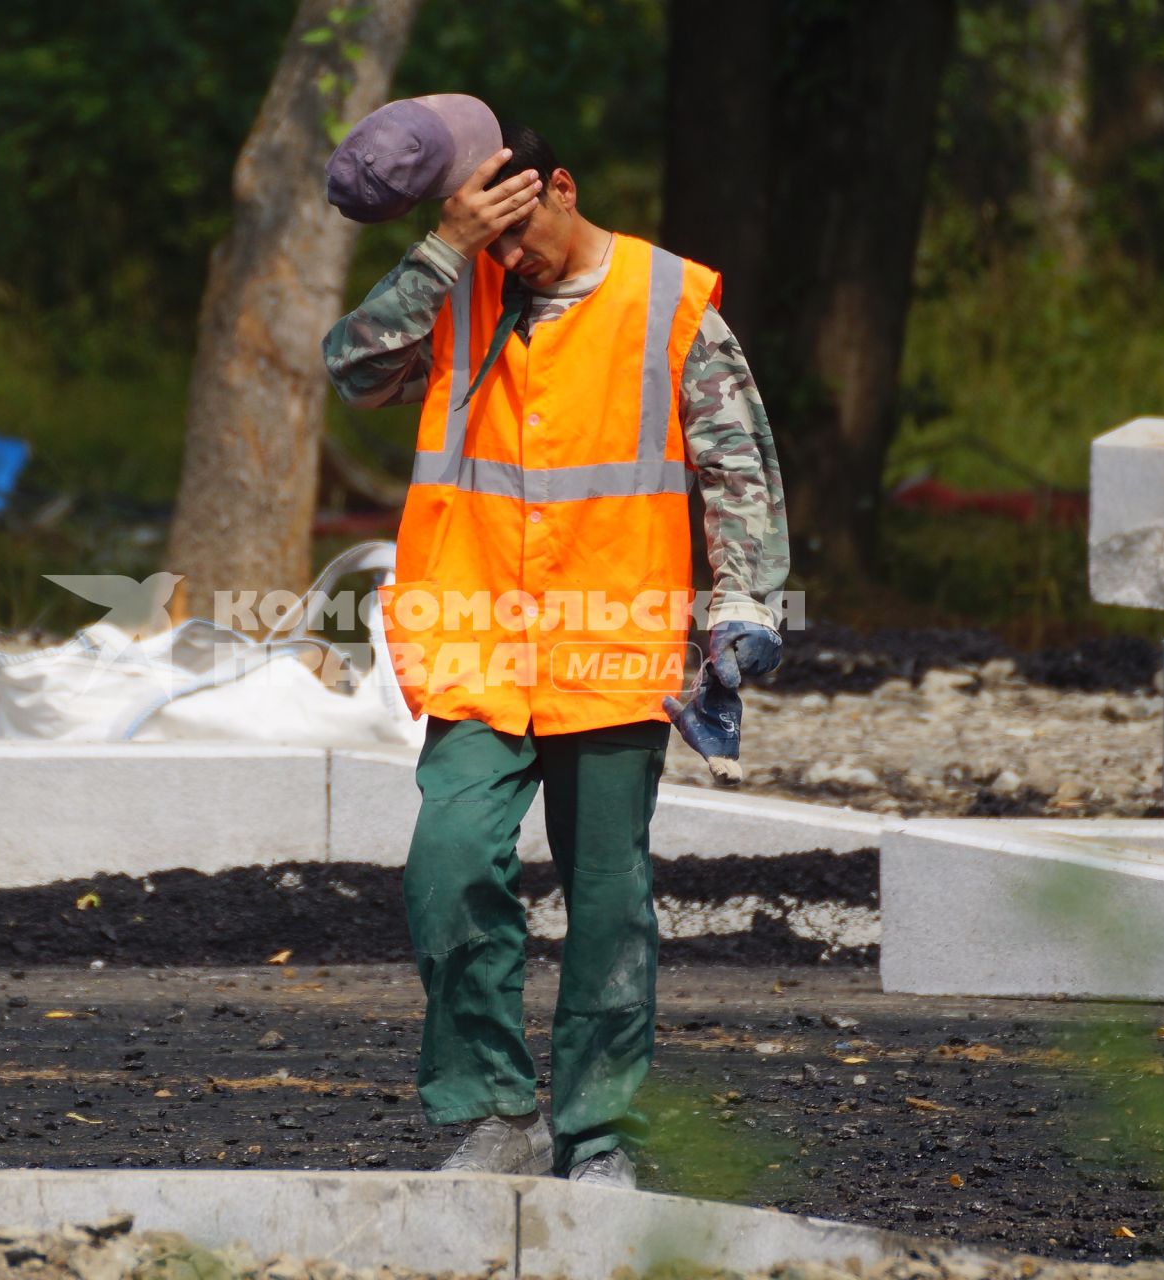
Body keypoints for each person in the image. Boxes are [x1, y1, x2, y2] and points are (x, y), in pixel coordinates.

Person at [321, 124, 789, 1189]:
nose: (508, 255)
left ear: (561, 187)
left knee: (609, 902)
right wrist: (444, 250)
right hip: (481, 645)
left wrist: (745, 601)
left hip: (613, 650)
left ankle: (598, 1132)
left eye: (516, 226)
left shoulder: (669, 303)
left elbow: (737, 464)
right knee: (448, 867)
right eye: (484, 234)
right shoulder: (461, 295)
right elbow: (353, 367)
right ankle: (492, 1113)